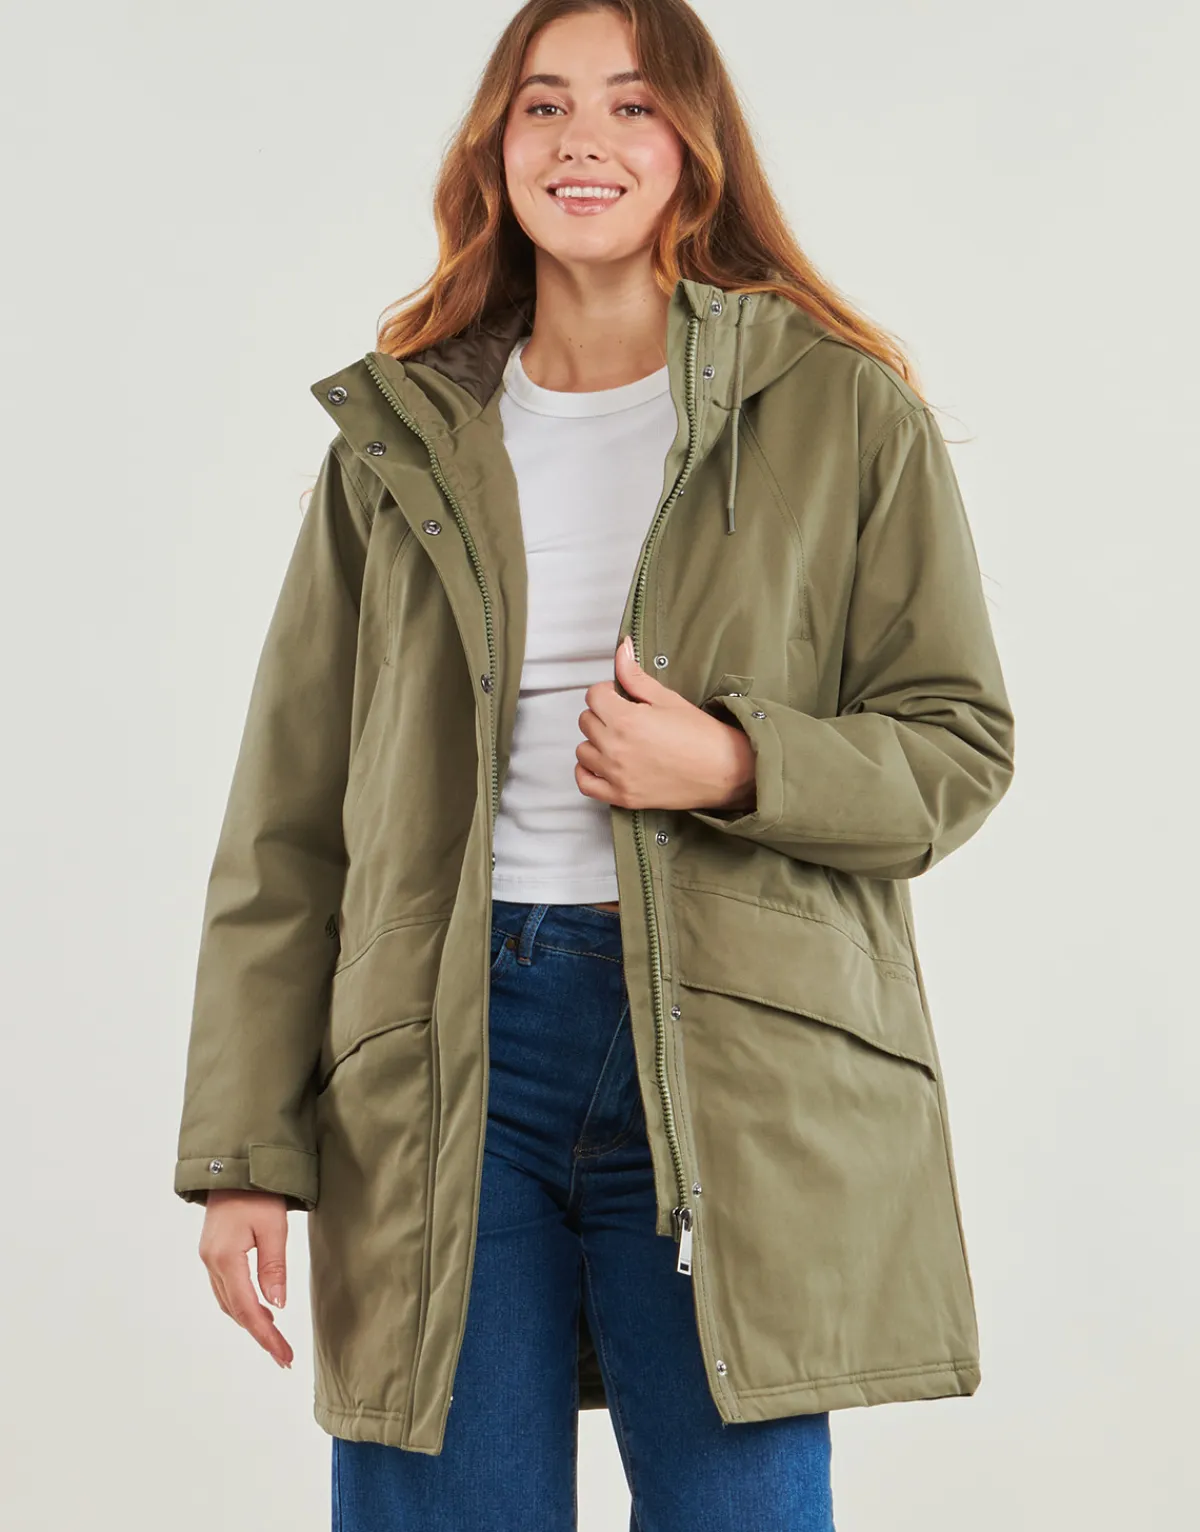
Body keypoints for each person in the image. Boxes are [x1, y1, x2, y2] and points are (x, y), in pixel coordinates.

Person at [173, 2, 1016, 1527]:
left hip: (733, 1049)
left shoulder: (838, 406)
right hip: (445, 1049)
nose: (584, 141)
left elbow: (958, 742)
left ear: (695, 147)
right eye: (544, 104)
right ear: (494, 146)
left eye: (632, 105)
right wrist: (246, 1151)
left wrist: (737, 763)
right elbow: (288, 823)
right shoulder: (399, 436)